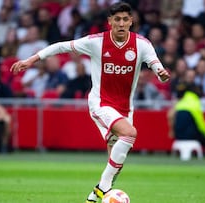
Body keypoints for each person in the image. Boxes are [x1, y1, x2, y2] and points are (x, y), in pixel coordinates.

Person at [10, 2, 170, 203]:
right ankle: (101, 189)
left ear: (131, 21)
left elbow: (155, 64)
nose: (121, 23)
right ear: (110, 22)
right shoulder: (96, 42)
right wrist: (31, 60)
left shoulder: (142, 44)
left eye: (125, 19)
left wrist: (161, 73)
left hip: (125, 109)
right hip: (101, 103)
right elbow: (62, 46)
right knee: (130, 134)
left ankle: (94, 198)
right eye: (117, 19)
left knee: (116, 162)